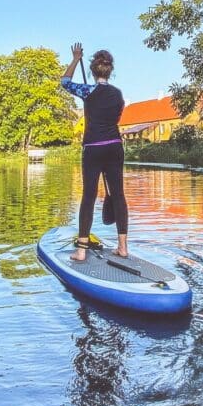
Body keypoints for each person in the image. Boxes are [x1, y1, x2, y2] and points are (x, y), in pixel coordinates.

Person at [60, 43, 129, 262]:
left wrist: (75, 58)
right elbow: (116, 117)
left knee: (89, 196)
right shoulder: (119, 95)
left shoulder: (88, 91)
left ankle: (81, 251)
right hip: (114, 146)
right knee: (118, 195)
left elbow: (65, 82)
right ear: (110, 70)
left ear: (92, 70)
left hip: (93, 148)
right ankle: (123, 247)